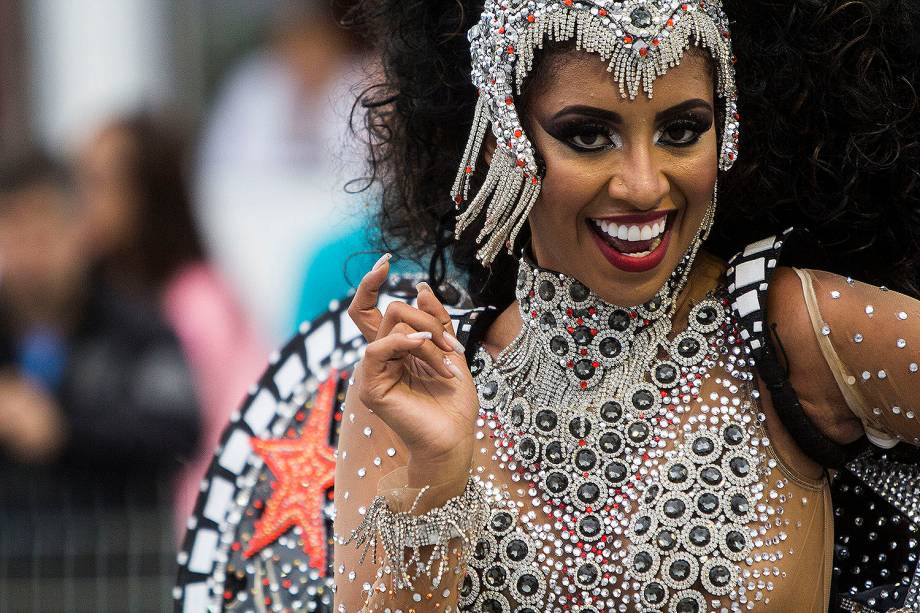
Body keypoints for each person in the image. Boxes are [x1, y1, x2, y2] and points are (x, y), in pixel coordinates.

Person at [173, 1, 920, 612]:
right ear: (500, 142)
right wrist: (437, 473)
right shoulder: (414, 390)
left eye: (681, 130)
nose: (643, 183)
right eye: (588, 135)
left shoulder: (794, 327)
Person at [0, 151, 200, 611]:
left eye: (44, 231)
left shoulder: (137, 330)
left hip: (116, 585)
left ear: (79, 232)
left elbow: (177, 429)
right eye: (15, 232)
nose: (31, 251)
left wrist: (64, 432)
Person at [75, 113, 267, 533]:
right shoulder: (103, 296)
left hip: (202, 529)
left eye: (97, 184)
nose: (79, 202)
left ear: (148, 194)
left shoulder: (197, 302)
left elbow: (216, 435)